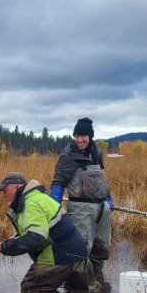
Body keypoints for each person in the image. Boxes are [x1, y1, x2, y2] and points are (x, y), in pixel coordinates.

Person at [0, 172, 95, 293]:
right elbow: (32, 233)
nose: (3, 195)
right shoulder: (39, 197)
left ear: (17, 187)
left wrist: (4, 247)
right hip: (80, 256)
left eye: (5, 190)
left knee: (30, 289)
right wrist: (4, 244)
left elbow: (36, 238)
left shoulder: (30, 203)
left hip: (58, 257)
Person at [49, 117, 113, 277]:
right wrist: (53, 211)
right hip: (81, 209)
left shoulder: (97, 153)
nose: (79, 140)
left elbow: (101, 178)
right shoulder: (67, 157)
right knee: (81, 248)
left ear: (90, 136)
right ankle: (77, 286)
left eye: (83, 136)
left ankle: (97, 279)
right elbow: (57, 184)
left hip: (102, 208)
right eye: (76, 136)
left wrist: (108, 199)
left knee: (101, 247)